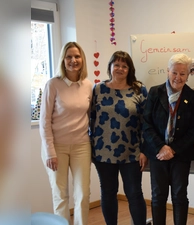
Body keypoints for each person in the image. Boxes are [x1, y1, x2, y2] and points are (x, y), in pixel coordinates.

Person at [90, 51, 148, 225]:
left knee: (134, 193)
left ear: (129, 69)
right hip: (103, 152)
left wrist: (144, 150)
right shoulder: (98, 89)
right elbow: (91, 118)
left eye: (124, 65)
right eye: (117, 65)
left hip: (132, 152)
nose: (120, 68)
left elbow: (146, 122)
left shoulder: (139, 89)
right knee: (108, 193)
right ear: (110, 67)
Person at [142, 53, 194, 225]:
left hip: (180, 154)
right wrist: (161, 147)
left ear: (188, 75)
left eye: (183, 73)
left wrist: (172, 149)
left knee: (179, 195)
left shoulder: (192, 96)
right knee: (158, 195)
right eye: (174, 72)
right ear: (167, 71)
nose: (178, 77)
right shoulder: (155, 92)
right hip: (157, 153)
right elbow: (146, 123)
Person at [39, 42, 92, 225]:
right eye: (69, 56)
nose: (73, 60)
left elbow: (90, 116)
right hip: (56, 147)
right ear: (63, 59)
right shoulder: (53, 84)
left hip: (82, 146)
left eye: (77, 56)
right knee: (60, 195)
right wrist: (50, 152)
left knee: (83, 194)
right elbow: (44, 121)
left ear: (82, 59)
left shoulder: (88, 85)